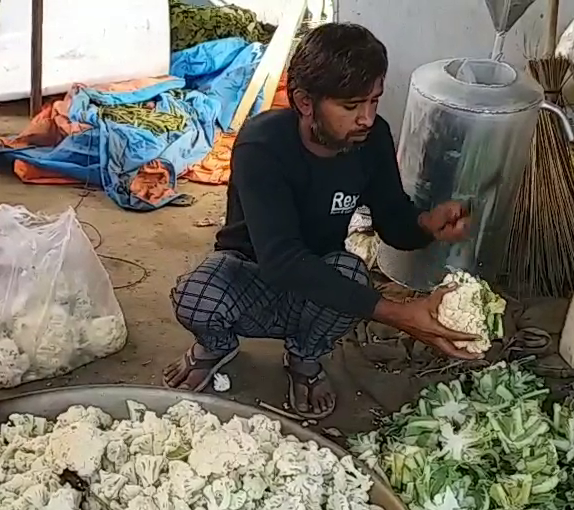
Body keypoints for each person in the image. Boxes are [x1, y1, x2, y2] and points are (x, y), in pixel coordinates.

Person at [164, 22, 481, 419]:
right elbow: (279, 260)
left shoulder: (371, 140)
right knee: (198, 296)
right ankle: (216, 345)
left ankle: (304, 359)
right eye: (351, 106)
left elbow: (393, 222)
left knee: (350, 276)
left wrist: (425, 225)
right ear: (305, 101)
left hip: (320, 283)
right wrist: (397, 313)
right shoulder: (262, 146)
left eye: (374, 102)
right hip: (253, 274)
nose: (366, 118)